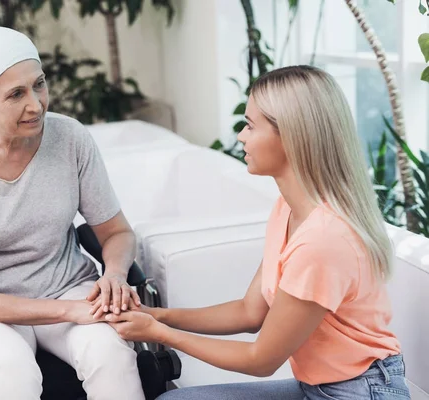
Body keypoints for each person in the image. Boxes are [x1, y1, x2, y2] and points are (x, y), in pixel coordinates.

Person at [97, 65, 411, 400]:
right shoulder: (288, 209)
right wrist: (155, 315)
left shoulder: (323, 240)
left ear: (291, 135)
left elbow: (261, 359)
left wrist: (160, 332)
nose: (240, 136)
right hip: (317, 388)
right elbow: (249, 312)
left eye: (249, 125)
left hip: (362, 391)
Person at [0, 26, 145, 400]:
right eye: (16, 94)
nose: (37, 104)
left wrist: (116, 275)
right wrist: (68, 312)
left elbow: (117, 233)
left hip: (65, 286)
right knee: (11, 370)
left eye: (39, 84)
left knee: (111, 353)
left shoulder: (70, 138)